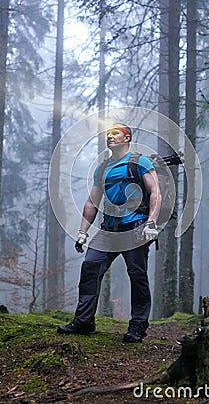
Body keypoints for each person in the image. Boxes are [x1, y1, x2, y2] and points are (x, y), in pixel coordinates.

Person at [57, 123, 162, 343]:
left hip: (135, 227)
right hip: (108, 230)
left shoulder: (139, 162)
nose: (110, 137)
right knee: (90, 267)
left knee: (137, 275)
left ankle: (137, 327)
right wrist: (83, 232)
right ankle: (84, 322)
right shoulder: (102, 168)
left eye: (115, 133)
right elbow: (92, 201)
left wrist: (151, 223)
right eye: (108, 134)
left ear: (127, 138)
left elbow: (155, 193)